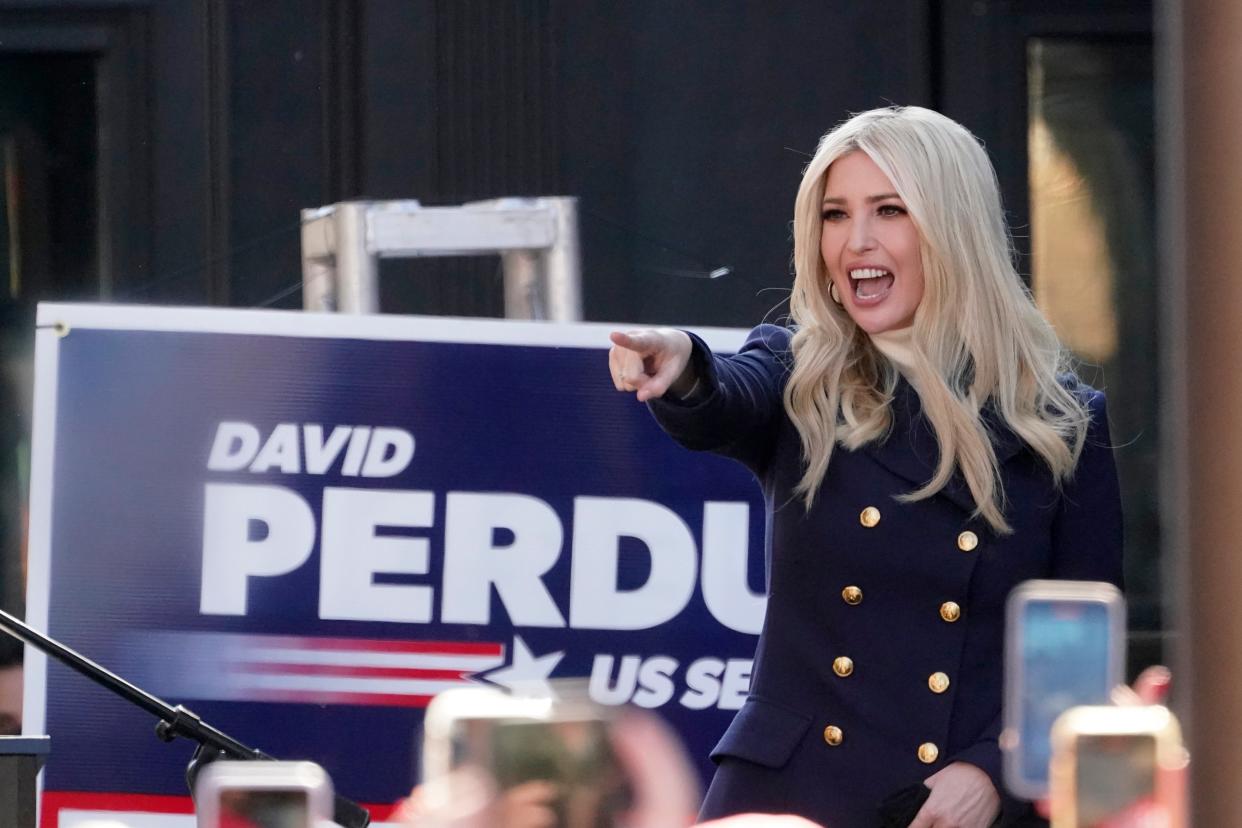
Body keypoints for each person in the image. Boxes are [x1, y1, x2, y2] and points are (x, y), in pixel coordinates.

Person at [608, 106, 1123, 827]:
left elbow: (1076, 663)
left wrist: (990, 770)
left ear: (952, 227)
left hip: (956, 809)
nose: (855, 242)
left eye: (889, 210)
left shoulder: (1063, 422)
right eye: (834, 214)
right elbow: (725, 397)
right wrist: (685, 363)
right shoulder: (799, 372)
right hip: (793, 795)